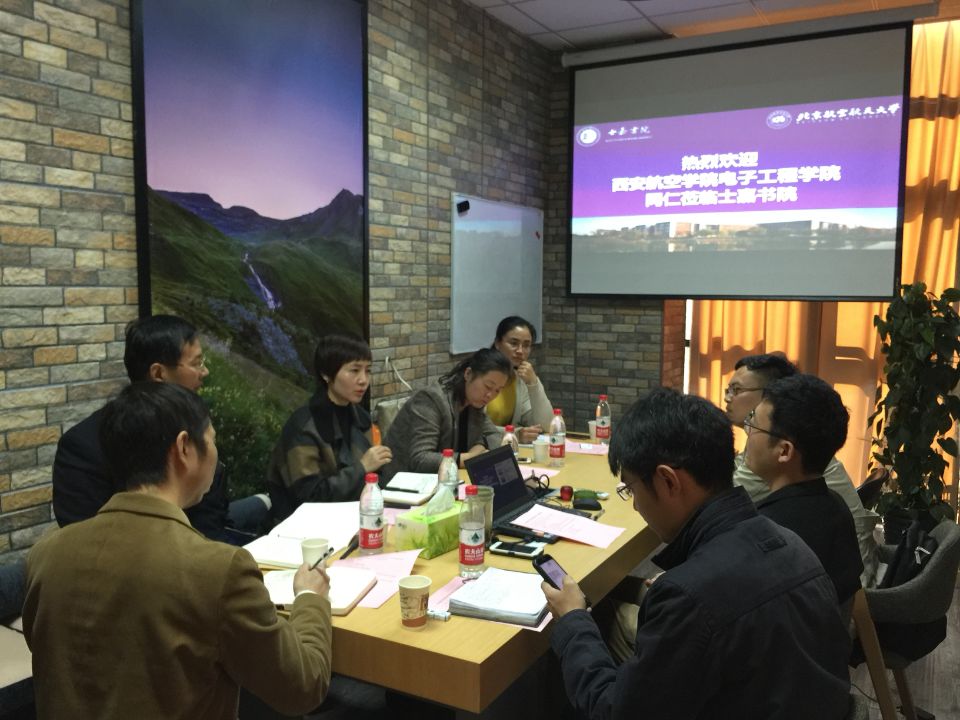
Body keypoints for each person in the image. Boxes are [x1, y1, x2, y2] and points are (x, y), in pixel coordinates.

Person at [23, 382, 332, 719]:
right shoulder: (218, 569)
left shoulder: (46, 554)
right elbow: (303, 686)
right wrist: (310, 598)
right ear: (184, 448)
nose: (216, 454)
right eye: (212, 440)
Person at [541, 387, 851, 720]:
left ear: (668, 481)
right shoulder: (792, 544)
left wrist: (574, 621)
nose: (636, 506)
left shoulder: (689, 596)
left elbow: (615, 712)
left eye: (631, 489)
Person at [52, 315, 268, 543]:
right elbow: (88, 543)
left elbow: (211, 523)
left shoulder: (195, 427)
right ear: (158, 373)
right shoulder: (84, 446)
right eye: (196, 363)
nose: (204, 372)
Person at [724, 352, 879, 586]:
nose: (727, 398)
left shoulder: (771, 526)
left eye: (736, 390)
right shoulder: (797, 441)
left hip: (847, 580)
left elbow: (723, 502)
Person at [745, 373, 863, 607]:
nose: (747, 432)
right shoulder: (836, 505)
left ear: (784, 451)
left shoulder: (764, 534)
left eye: (753, 424)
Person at [267, 334, 392, 523]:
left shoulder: (362, 419)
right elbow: (308, 498)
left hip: (354, 519)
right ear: (326, 374)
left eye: (368, 371)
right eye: (354, 370)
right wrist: (362, 468)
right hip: (303, 527)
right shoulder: (304, 426)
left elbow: (376, 478)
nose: (363, 380)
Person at [381, 348, 510, 482]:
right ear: (468, 374)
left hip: (445, 481)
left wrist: (480, 446)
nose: (490, 395)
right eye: (488, 386)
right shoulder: (431, 399)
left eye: (497, 391)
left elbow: (494, 436)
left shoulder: (474, 403)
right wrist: (467, 458)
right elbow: (420, 459)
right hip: (404, 485)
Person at [485, 316, 553, 443]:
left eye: (526, 345)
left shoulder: (519, 380)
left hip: (506, 448)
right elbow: (475, 429)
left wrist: (533, 383)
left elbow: (545, 425)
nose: (520, 351)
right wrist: (515, 435)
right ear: (497, 343)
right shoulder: (482, 376)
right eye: (513, 343)